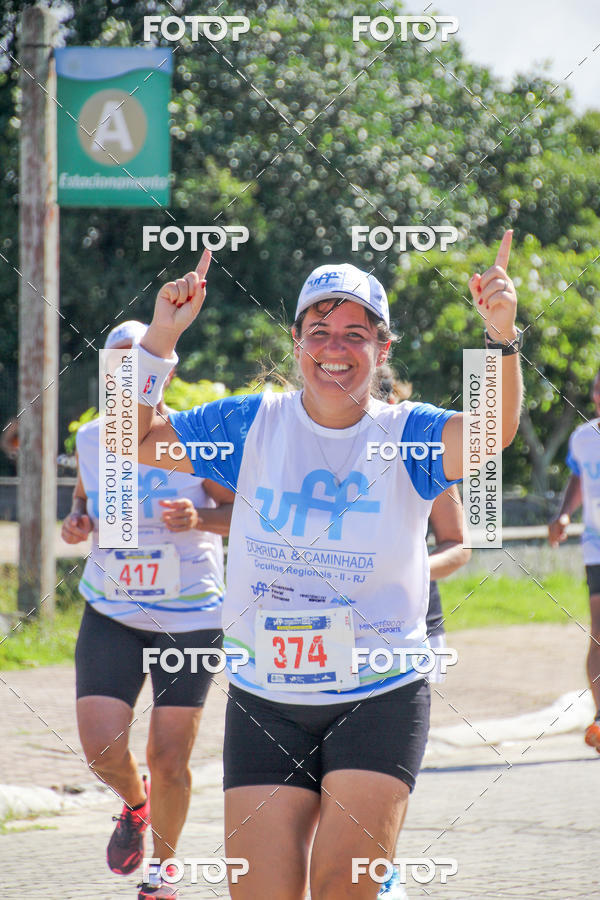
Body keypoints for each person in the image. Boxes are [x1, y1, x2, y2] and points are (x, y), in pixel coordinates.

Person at [135, 234, 521, 899]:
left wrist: (501, 336)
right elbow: (130, 438)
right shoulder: (252, 423)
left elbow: (491, 433)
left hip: (379, 693)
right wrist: (160, 337)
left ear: (382, 349)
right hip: (265, 696)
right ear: (296, 342)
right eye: (319, 332)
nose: (334, 348)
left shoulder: (408, 433)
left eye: (354, 335)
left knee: (342, 887)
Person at [61, 320, 234, 900]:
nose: (127, 374)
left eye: (139, 363)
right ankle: (136, 805)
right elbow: (83, 503)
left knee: (169, 755)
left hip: (190, 616)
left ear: (163, 373)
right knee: (101, 751)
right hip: (112, 609)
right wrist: (77, 521)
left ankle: (163, 873)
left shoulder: (195, 437)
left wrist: (199, 517)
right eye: (117, 364)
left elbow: (242, 512)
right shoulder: (91, 438)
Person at [378, 367, 471, 680]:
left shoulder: (420, 451)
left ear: (392, 402)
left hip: (413, 625)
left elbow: (458, 545)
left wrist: (408, 572)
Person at [548, 370, 600, 753]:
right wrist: (564, 513)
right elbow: (578, 479)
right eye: (598, 389)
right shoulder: (583, 437)